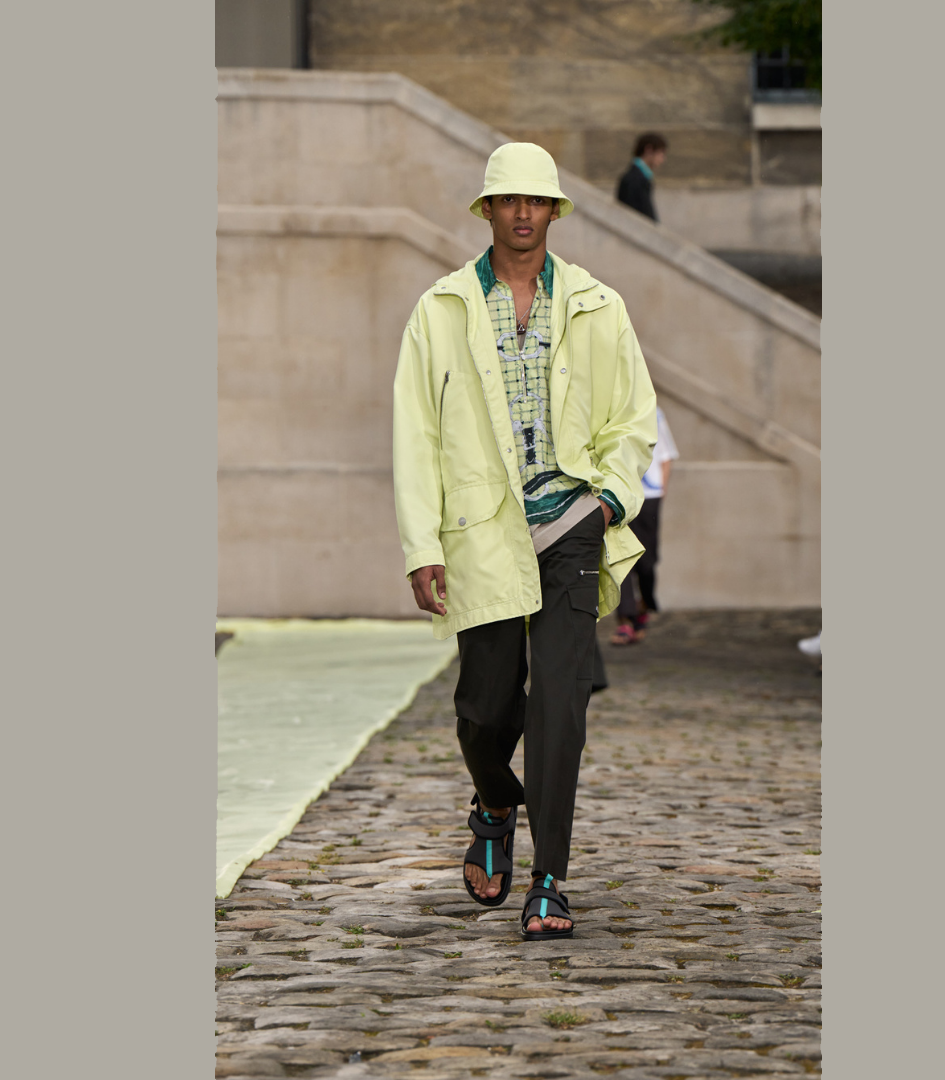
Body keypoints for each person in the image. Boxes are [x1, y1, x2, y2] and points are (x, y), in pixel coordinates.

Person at [392, 143, 657, 940]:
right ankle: (494, 803)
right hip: (482, 534)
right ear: (487, 210)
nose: (520, 213)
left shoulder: (597, 306)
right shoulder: (441, 310)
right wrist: (421, 545)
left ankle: (551, 881)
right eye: (507, 200)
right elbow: (415, 435)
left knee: (560, 710)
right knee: (484, 709)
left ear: (552, 211)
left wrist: (610, 501)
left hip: (573, 524)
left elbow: (633, 415)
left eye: (534, 200)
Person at [611, 406, 679, 645]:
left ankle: (644, 605)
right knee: (620, 556)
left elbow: (666, 455)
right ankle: (625, 620)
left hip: (649, 496)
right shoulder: (610, 405)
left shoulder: (654, 412)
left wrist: (662, 491)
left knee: (647, 562)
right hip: (620, 494)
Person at [616, 132, 668, 222]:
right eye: (660, 153)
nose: (662, 159)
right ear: (649, 150)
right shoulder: (633, 179)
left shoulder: (640, 176)